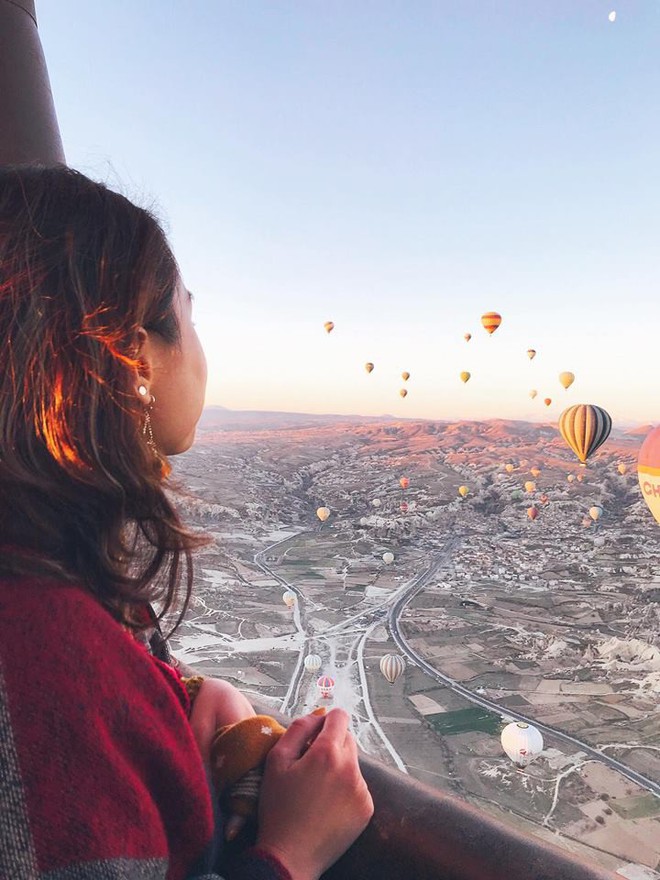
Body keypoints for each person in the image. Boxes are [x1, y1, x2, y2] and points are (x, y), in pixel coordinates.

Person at [0, 164, 374, 880]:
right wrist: (288, 857)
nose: (202, 351)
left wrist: (180, 697)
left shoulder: (49, 578)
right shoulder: (42, 649)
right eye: (191, 317)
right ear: (136, 353)